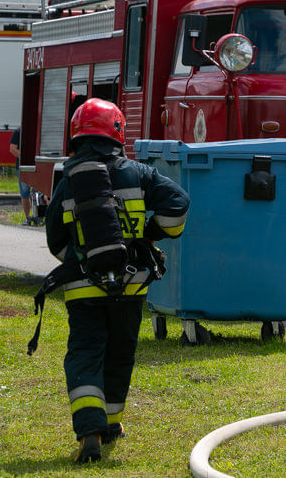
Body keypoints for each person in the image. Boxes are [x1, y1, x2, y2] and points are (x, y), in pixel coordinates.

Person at [45, 98, 190, 463]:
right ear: (118, 132)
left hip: (83, 289)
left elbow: (54, 241)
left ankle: (90, 430)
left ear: (77, 135)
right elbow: (179, 203)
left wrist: (82, 263)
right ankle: (111, 424)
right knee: (120, 354)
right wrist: (148, 237)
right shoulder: (137, 172)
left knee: (85, 353)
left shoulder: (69, 180)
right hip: (131, 287)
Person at [9, 127, 34, 226]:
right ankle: (28, 218)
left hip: (36, 166)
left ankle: (38, 217)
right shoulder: (18, 132)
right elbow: (12, 149)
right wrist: (26, 157)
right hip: (23, 167)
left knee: (39, 193)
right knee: (25, 194)